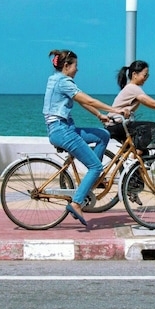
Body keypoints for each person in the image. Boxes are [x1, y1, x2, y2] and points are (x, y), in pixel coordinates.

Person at [42, 49, 118, 227]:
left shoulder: (55, 79)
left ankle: (92, 179)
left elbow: (82, 102)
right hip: (62, 131)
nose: (78, 69)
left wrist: (100, 115)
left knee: (102, 134)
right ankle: (76, 203)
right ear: (67, 66)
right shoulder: (63, 82)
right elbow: (88, 100)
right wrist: (115, 110)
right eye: (76, 66)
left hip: (64, 128)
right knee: (96, 166)